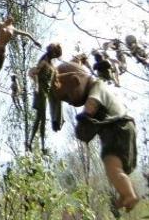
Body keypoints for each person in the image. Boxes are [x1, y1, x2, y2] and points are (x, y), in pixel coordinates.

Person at [54, 61, 138, 211]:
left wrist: (84, 118)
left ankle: (129, 194)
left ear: (76, 81)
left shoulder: (97, 87)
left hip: (118, 127)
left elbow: (91, 105)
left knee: (112, 165)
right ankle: (124, 192)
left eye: (67, 97)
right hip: (117, 128)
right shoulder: (97, 87)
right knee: (114, 168)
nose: (70, 102)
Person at [0, 16, 40, 113]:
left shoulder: (13, 29)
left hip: (1, 53)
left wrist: (35, 41)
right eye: (8, 17)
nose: (9, 18)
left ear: (12, 21)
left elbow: (26, 34)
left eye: (10, 18)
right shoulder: (1, 24)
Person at [28, 43, 62, 152]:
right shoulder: (43, 63)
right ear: (51, 52)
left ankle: (31, 143)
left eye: (56, 54)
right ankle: (42, 146)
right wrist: (36, 85)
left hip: (46, 93)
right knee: (42, 119)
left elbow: (55, 82)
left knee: (39, 118)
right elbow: (33, 73)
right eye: (55, 53)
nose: (55, 56)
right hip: (41, 92)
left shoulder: (53, 67)